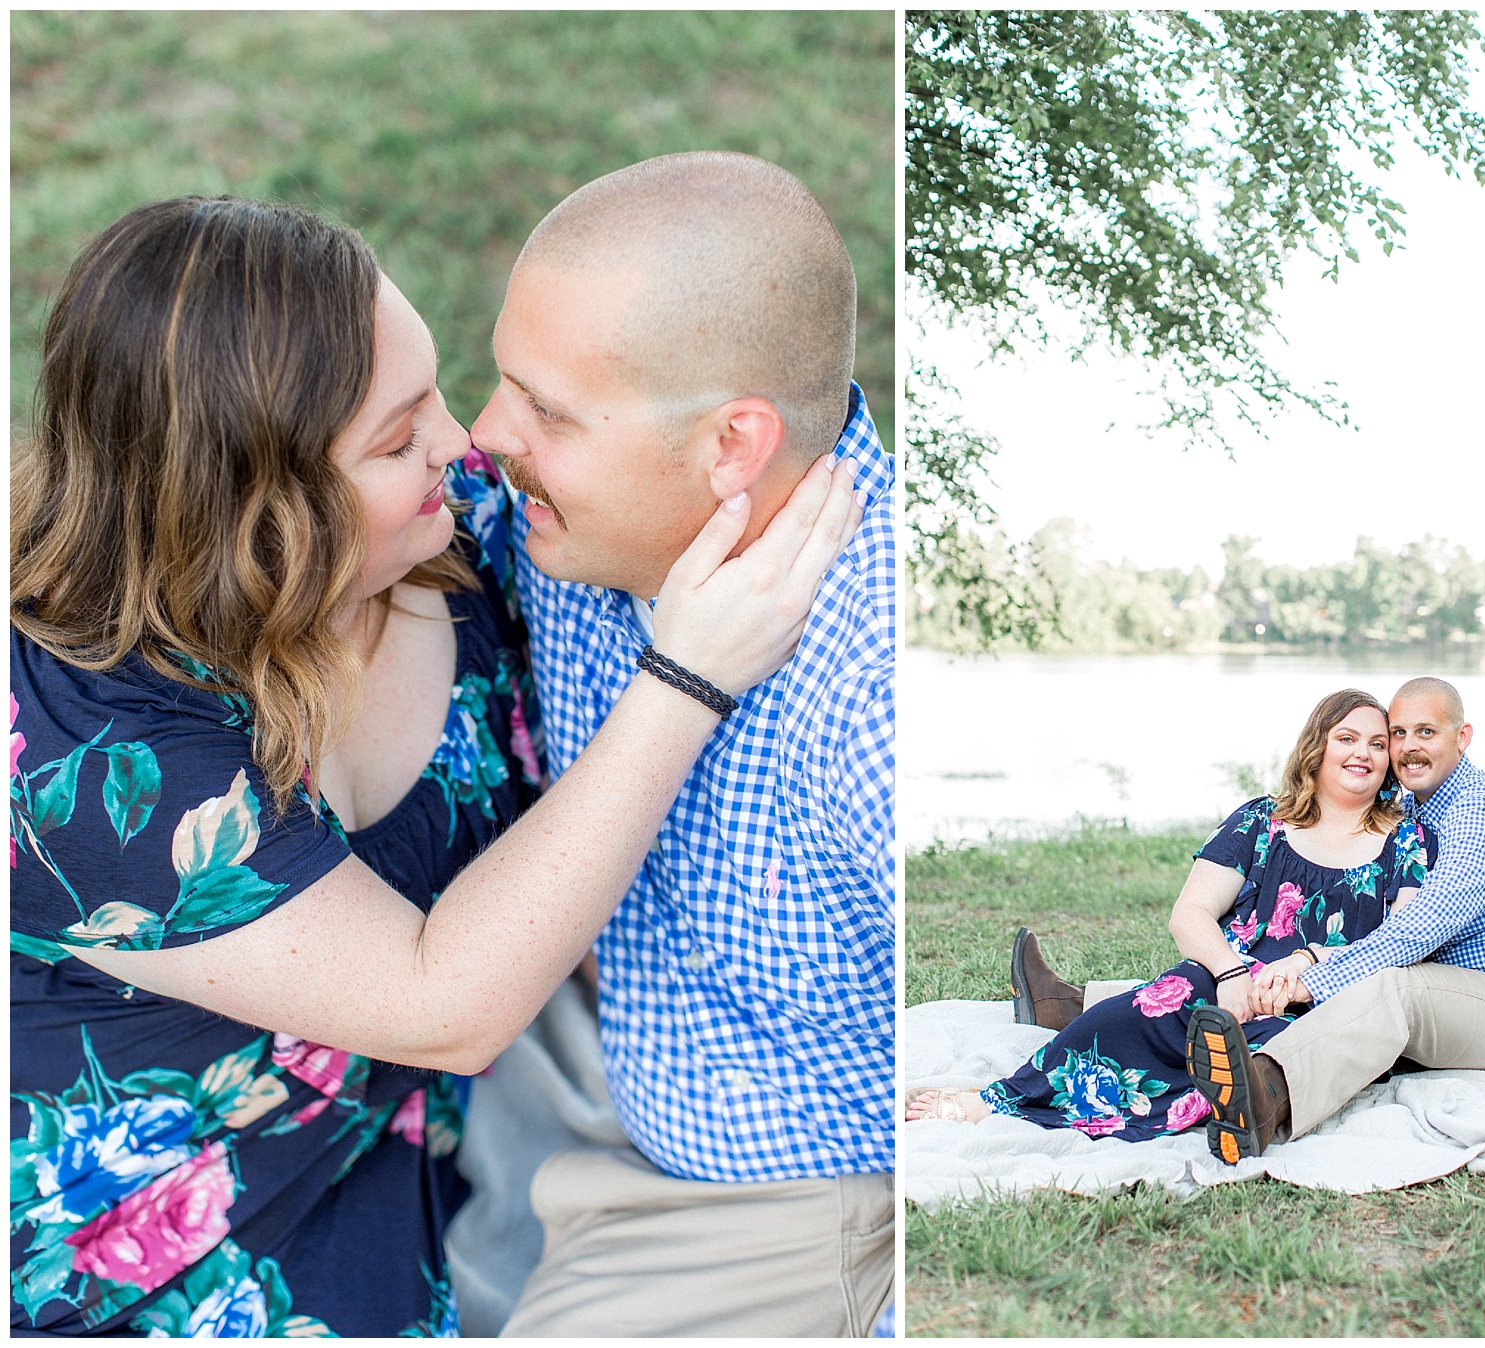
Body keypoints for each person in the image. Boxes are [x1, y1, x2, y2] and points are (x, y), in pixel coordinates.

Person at [9, 196, 856, 1337]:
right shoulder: (83, 749)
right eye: (397, 436)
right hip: (150, 1244)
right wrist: (689, 677)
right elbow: (441, 1004)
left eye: (435, 394)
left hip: (424, 1134)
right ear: (257, 504)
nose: (463, 443)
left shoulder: (449, 541)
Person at [455, 152, 895, 1337]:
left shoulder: (874, 697)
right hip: (603, 1068)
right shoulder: (580, 519)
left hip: (795, 1205)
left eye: (546, 409)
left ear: (732, 447)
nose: (488, 433)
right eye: (504, 383)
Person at [1008, 676, 1485, 1165]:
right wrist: (1267, 969)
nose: (1406, 748)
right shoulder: (1419, 806)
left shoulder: (1479, 811)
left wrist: (1309, 973)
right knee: (1205, 982)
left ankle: (1264, 1097)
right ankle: (1069, 1006)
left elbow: (1415, 932)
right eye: (1398, 733)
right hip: (1447, 988)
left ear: (1462, 736)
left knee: (1388, 991)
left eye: (1423, 732)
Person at [905, 689, 1435, 1145]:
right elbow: (1190, 912)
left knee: (1246, 1060)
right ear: (1316, 746)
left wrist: (1307, 968)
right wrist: (1230, 974)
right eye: (1347, 738)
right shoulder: (1261, 821)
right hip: (1225, 976)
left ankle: (1215, 1106)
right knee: (1128, 1018)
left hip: (1321, 998)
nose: (1362, 753)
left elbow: (1403, 939)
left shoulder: (1405, 840)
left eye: (1377, 743)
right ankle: (1005, 1100)